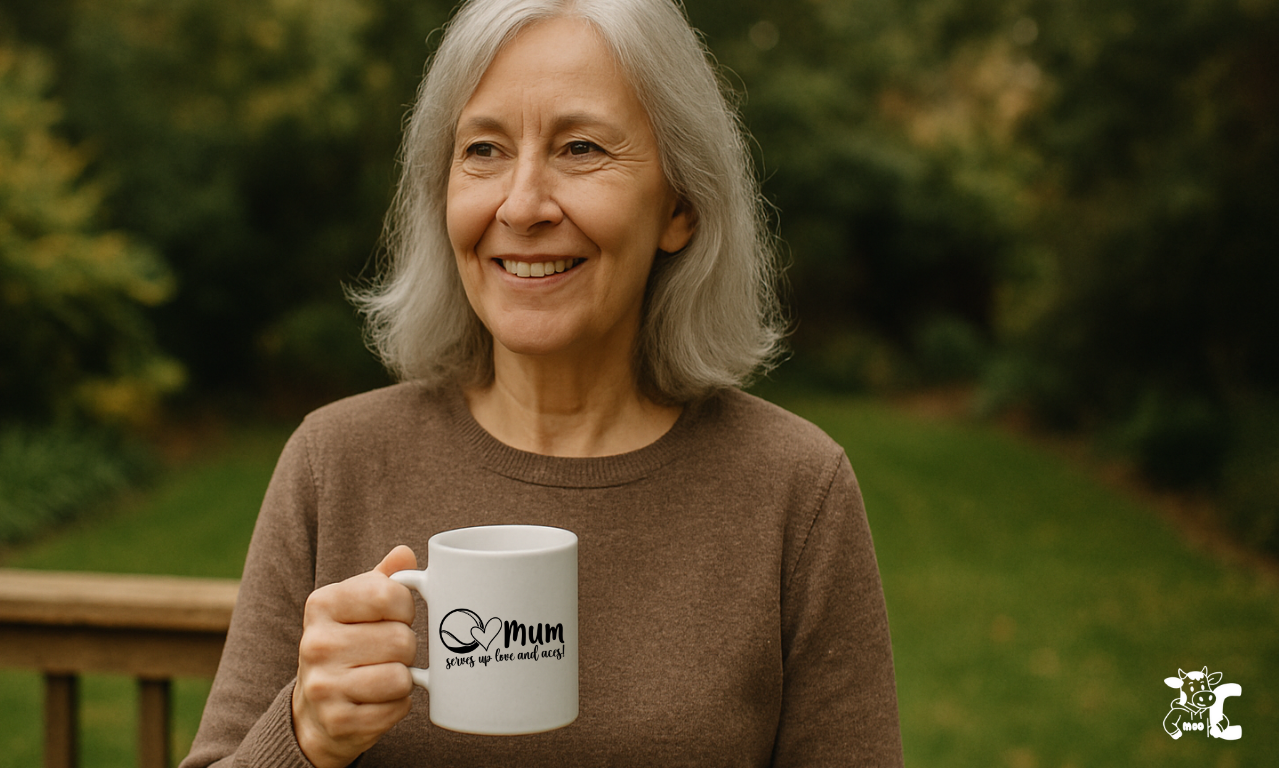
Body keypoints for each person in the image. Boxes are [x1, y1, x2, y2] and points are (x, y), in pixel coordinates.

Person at [180, 0, 903, 766]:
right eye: (483, 150)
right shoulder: (336, 462)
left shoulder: (794, 490)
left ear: (681, 206)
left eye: (581, 147)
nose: (521, 206)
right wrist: (302, 735)